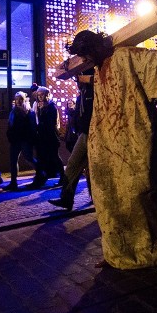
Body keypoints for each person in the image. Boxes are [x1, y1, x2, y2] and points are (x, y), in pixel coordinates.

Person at [64, 24, 157, 270]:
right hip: (107, 143)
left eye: (87, 55)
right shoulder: (97, 68)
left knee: (140, 194)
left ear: (95, 48)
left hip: (136, 138)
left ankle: (155, 246)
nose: (86, 60)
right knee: (109, 198)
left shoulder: (125, 55)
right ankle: (118, 251)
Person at [49, 69, 95, 211]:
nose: (76, 82)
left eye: (78, 78)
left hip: (90, 133)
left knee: (80, 166)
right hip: (84, 133)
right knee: (80, 166)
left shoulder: (92, 92)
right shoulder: (82, 94)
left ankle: (69, 198)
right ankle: (68, 198)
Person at [24, 86, 65, 189]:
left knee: (55, 157)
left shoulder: (51, 106)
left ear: (47, 95)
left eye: (42, 95)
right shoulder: (38, 105)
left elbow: (51, 123)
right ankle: (41, 178)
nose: (40, 97)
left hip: (50, 136)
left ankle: (63, 177)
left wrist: (42, 118)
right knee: (42, 158)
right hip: (42, 137)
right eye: (39, 95)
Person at [4, 91, 37, 191]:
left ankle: (41, 172)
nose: (18, 101)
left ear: (24, 100)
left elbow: (32, 127)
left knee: (29, 158)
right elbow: (10, 125)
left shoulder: (28, 111)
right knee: (13, 161)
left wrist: (29, 139)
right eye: (16, 99)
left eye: (20, 99)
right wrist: (10, 135)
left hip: (24, 140)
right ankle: (13, 182)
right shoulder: (13, 111)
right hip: (15, 140)